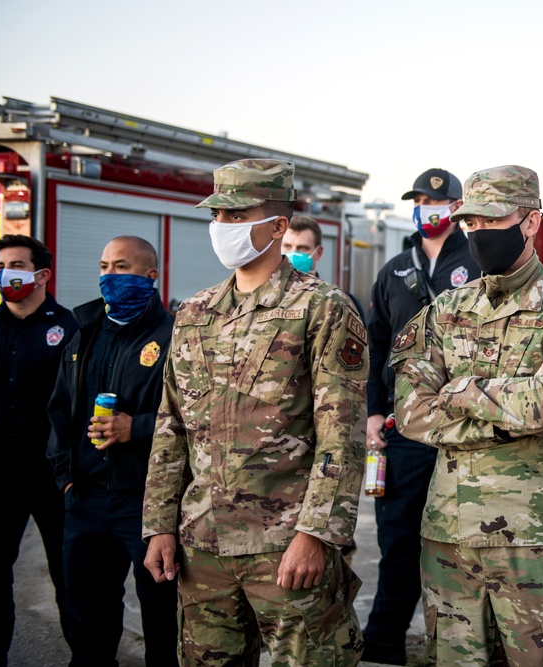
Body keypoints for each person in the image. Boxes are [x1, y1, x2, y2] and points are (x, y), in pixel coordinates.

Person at [389, 165, 543, 666]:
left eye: (492, 221)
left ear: (532, 222)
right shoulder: (445, 310)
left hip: (536, 539)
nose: (478, 234)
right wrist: (508, 412)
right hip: (448, 539)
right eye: (470, 223)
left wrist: (459, 389)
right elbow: (410, 411)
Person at [142, 159, 367, 666]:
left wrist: (315, 535)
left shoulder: (322, 308)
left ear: (278, 226)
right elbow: (171, 426)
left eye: (236, 214)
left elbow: (342, 437)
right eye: (217, 215)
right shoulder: (195, 313)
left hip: (286, 546)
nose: (222, 227)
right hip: (203, 545)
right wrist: (159, 525)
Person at [362, 167, 480, 664]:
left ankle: (463, 647)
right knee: (399, 543)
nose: (427, 208)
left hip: (464, 428)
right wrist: (372, 412)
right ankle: (383, 647)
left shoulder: (477, 260)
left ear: (456, 208)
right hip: (405, 429)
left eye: (437, 201)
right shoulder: (394, 269)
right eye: (417, 200)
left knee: (468, 543)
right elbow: (373, 343)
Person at [46, 235, 177, 667]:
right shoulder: (84, 332)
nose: (108, 276)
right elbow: (61, 410)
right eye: (104, 266)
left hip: (146, 502)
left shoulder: (174, 336)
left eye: (121, 267)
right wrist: (65, 477)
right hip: (85, 498)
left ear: (150, 276)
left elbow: (199, 419)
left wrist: (134, 428)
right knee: (87, 618)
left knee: (163, 619)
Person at [0, 234, 76, 666]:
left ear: (42, 274)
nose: (5, 273)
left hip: (54, 476)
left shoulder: (72, 330)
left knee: (70, 575)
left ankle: (87, 657)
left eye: (16, 264)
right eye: (0, 265)